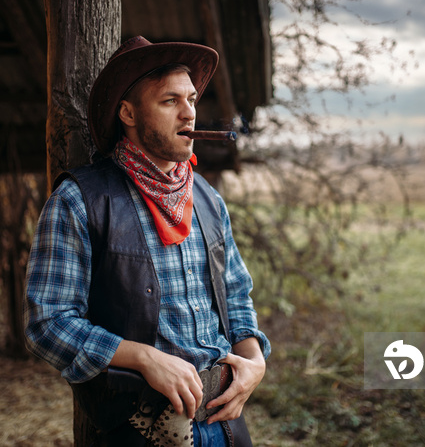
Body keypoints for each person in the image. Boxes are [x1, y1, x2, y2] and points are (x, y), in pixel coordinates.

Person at [24, 36, 271, 447]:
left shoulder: (207, 198)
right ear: (128, 112)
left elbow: (236, 296)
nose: (189, 113)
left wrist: (254, 360)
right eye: (169, 101)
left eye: (191, 98)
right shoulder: (80, 200)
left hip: (225, 421)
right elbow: (47, 324)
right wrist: (143, 357)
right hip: (139, 429)